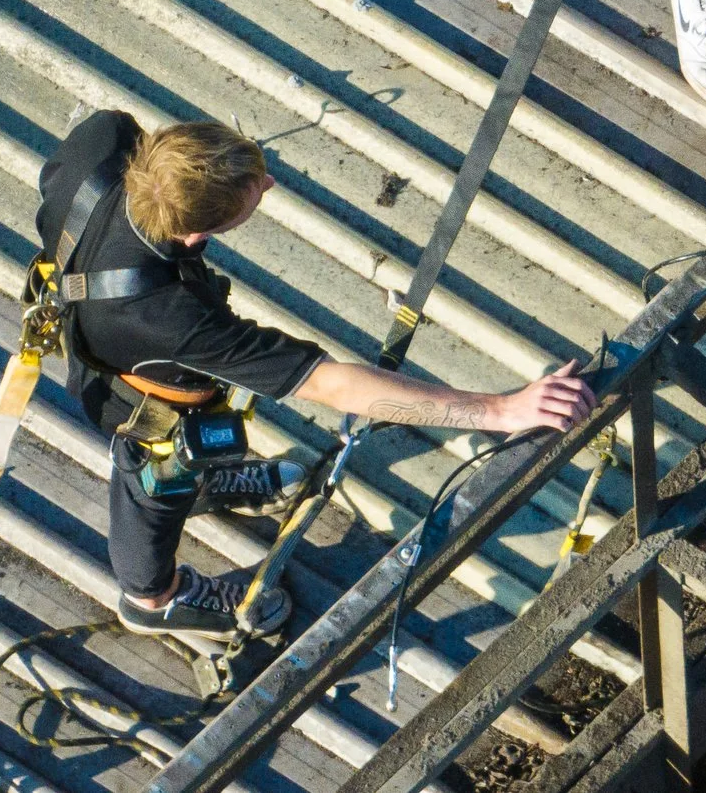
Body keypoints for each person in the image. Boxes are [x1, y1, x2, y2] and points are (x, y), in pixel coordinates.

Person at [37, 111, 591, 651]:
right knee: (154, 481)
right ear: (196, 233)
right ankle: (151, 599)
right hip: (132, 397)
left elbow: (52, 193)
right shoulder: (169, 316)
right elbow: (334, 386)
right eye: (256, 195)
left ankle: (210, 485)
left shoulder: (104, 139)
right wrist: (502, 411)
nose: (270, 184)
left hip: (100, 317)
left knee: (202, 454)